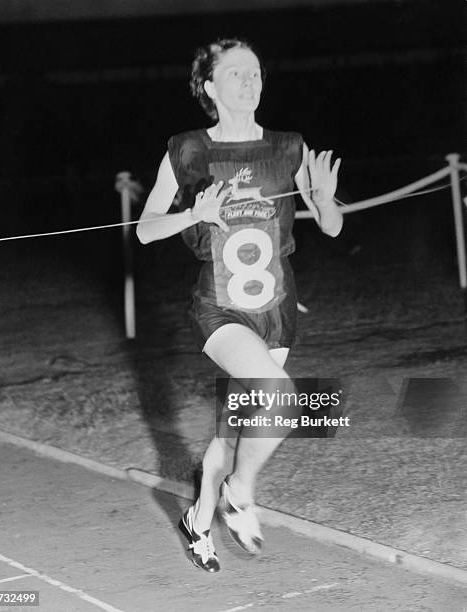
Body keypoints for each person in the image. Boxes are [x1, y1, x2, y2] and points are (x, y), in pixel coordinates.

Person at [136, 38, 342, 573]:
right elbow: (145, 230)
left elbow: (333, 226)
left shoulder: (289, 146)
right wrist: (191, 214)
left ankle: (198, 519)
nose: (249, 82)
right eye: (236, 74)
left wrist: (322, 200)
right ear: (209, 87)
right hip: (219, 308)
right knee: (279, 397)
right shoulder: (186, 150)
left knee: (234, 428)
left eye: (255, 73)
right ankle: (240, 493)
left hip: (275, 308)